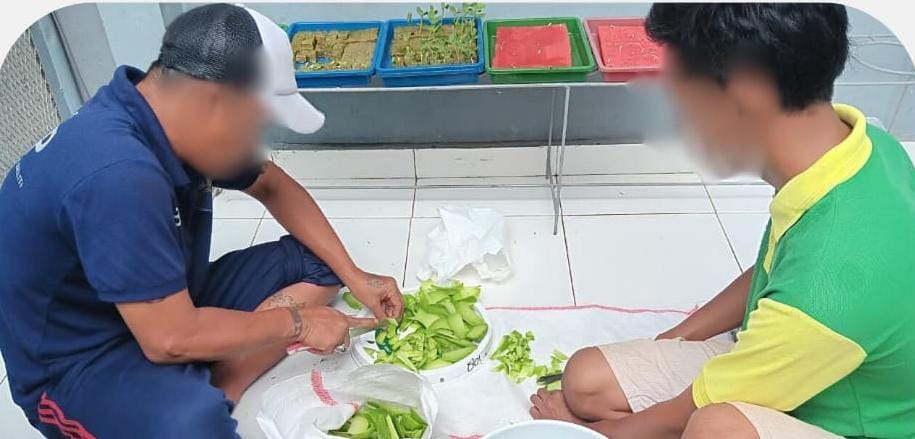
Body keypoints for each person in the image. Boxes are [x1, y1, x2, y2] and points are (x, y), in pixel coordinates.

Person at [0, 4, 403, 438]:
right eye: (256, 128)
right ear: (215, 100)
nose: (256, 145)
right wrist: (299, 323)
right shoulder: (119, 175)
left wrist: (356, 277)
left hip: (159, 301)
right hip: (80, 362)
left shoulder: (156, 112)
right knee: (195, 424)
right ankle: (196, 389)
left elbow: (271, 184)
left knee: (319, 260)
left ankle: (224, 378)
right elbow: (168, 339)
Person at [530, 4, 915, 438]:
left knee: (715, 427)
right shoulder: (861, 143)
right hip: (801, 357)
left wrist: (591, 434)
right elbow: (778, 270)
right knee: (587, 380)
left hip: (849, 421)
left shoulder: (824, 295)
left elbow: (703, 403)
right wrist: (673, 340)